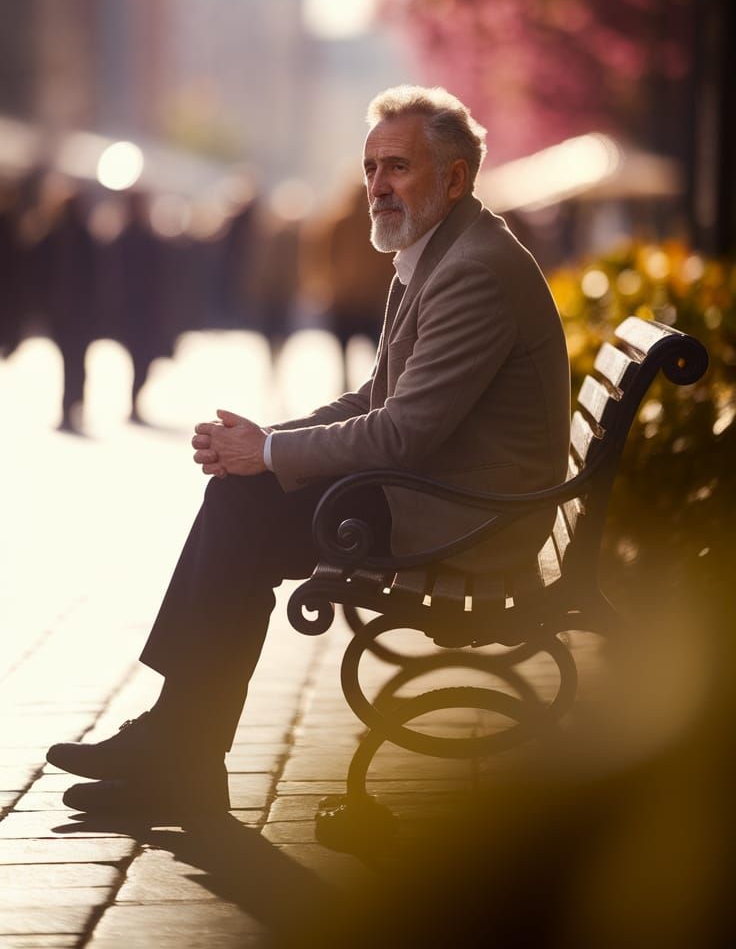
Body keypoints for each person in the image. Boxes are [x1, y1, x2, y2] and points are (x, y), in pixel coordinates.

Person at [47, 85, 571, 818]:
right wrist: (269, 443)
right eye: (370, 168)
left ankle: (180, 749)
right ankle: (178, 744)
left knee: (244, 506)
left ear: (454, 179)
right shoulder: (439, 251)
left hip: (470, 518)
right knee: (242, 495)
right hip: (442, 491)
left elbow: (403, 432)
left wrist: (270, 455)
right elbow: (373, 401)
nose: (377, 186)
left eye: (398, 167)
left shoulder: (471, 270)